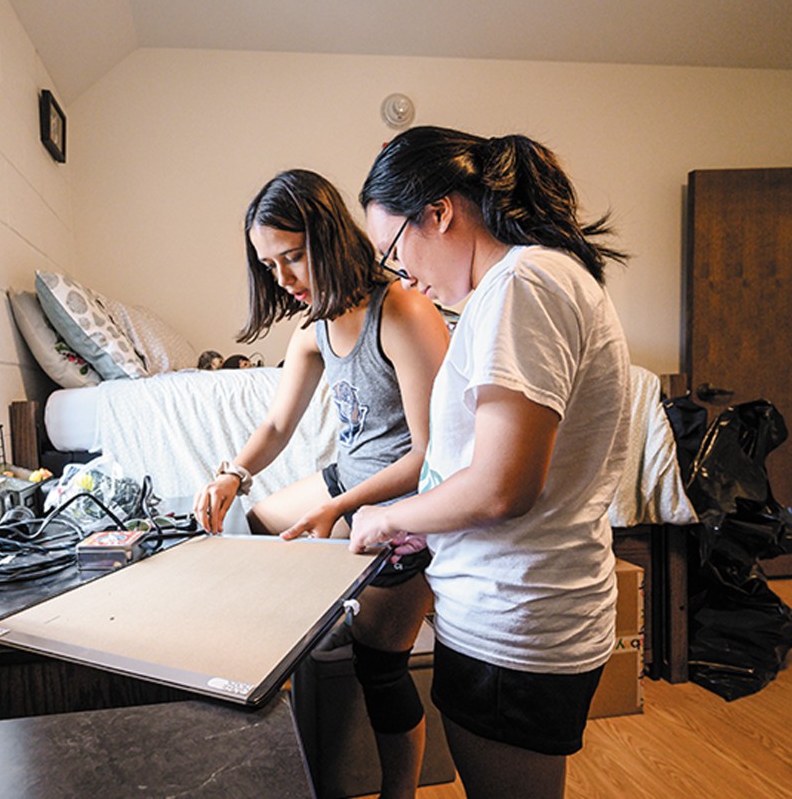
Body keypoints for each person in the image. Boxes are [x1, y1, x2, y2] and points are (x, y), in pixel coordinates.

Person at [350, 125, 632, 799]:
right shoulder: (518, 285)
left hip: (516, 618)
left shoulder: (522, 284)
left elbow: (503, 485)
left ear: (440, 213)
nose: (404, 276)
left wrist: (388, 517)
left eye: (394, 251)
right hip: (511, 606)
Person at [194, 168, 449, 798]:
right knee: (256, 527)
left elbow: (432, 455)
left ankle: (400, 792)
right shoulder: (312, 328)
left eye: (293, 256)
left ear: (330, 237)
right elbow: (279, 423)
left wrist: (337, 508)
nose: (283, 278)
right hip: (351, 480)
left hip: (408, 504)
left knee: (379, 667)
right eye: (268, 264)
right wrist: (233, 474)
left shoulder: (404, 311)